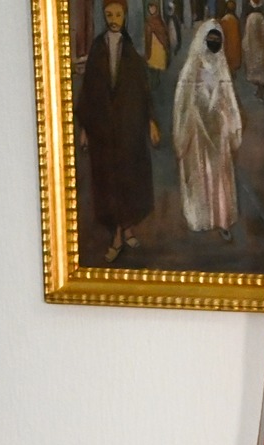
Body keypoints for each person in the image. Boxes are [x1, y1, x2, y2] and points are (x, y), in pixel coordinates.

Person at [76, 0, 160, 265]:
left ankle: (128, 229)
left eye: (118, 14)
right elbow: (88, 90)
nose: (113, 19)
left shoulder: (131, 52)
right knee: (108, 182)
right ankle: (116, 236)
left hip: (128, 129)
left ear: (125, 16)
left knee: (129, 179)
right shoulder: (97, 49)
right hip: (103, 131)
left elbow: (143, 90)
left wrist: (151, 122)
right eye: (109, 14)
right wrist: (85, 128)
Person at [173, 21, 242, 239]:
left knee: (220, 178)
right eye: (210, 39)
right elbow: (181, 105)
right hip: (197, 134)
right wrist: (181, 133)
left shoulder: (222, 69)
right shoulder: (190, 71)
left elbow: (230, 101)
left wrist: (234, 128)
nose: (213, 44)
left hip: (218, 134)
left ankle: (222, 220)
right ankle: (201, 219)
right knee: (200, 176)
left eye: (217, 40)